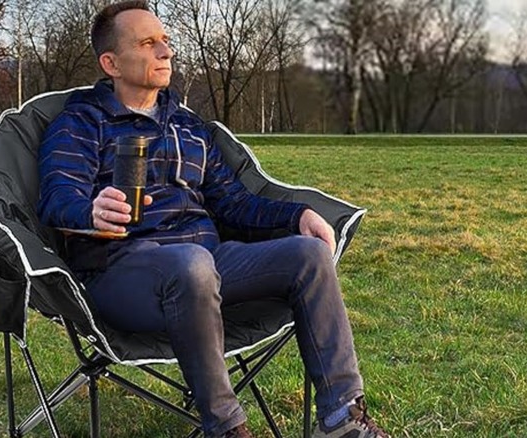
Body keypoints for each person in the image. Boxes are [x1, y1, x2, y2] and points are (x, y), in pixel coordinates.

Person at [37, 1, 391, 437]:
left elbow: (234, 204)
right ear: (110, 62)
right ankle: (225, 428)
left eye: (165, 41)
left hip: (208, 264)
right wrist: (89, 210)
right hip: (122, 271)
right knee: (191, 264)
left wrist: (298, 215)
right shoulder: (81, 122)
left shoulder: (188, 126)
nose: (165, 52)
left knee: (309, 256)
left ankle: (342, 420)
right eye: (148, 43)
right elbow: (57, 199)